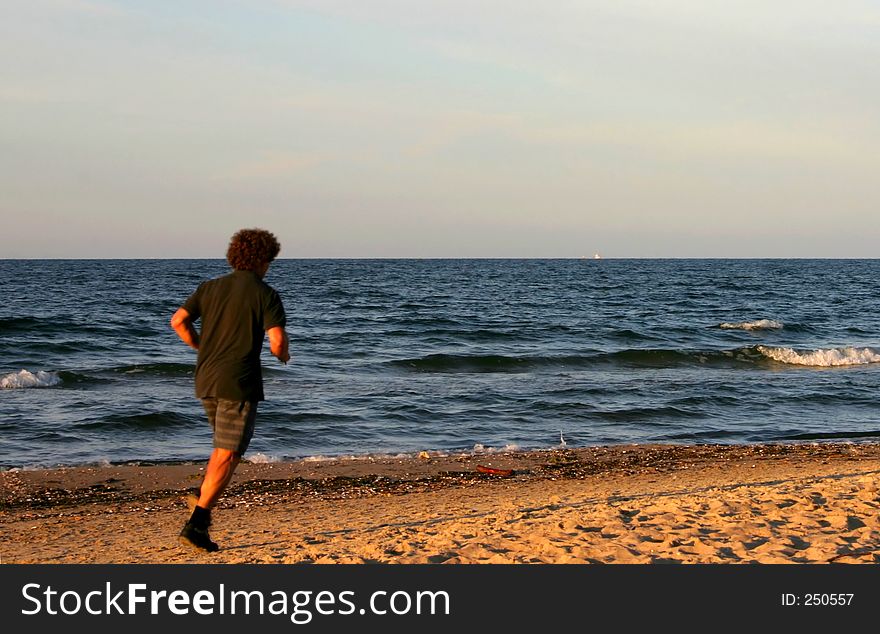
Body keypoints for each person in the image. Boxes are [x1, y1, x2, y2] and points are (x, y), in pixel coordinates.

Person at [170, 228, 290, 552]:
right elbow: (277, 341)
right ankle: (197, 522)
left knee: (224, 448)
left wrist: (200, 347)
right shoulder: (265, 294)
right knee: (229, 452)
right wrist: (283, 355)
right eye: (269, 261)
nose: (269, 267)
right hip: (239, 381)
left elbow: (178, 321)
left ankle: (202, 492)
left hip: (206, 378)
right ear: (262, 260)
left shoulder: (209, 288)